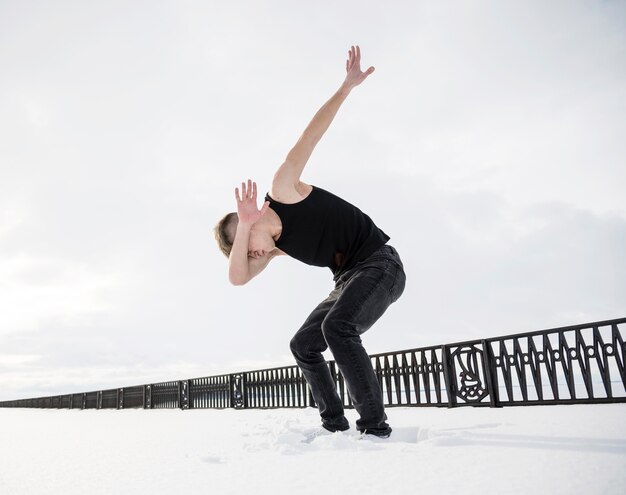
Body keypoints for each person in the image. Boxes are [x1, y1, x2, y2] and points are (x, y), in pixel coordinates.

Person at [214, 45, 406, 438]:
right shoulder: (274, 246)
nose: (254, 255)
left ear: (254, 226)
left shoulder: (285, 189)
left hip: (380, 265)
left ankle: (374, 428)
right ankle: (334, 425)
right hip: (347, 280)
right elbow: (237, 279)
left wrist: (346, 87)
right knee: (303, 345)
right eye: (248, 252)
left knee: (338, 327)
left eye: (249, 245)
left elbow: (311, 134)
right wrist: (246, 235)